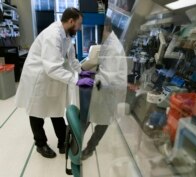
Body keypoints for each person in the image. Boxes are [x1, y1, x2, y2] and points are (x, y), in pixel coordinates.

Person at [15, 8, 94, 159]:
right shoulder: (53, 35)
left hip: (50, 76)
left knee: (55, 108)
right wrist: (76, 79)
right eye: (79, 24)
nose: (79, 27)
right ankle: (40, 144)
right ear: (71, 21)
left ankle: (62, 141)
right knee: (37, 112)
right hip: (38, 77)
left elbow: (71, 59)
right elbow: (52, 67)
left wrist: (81, 71)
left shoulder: (67, 34)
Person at [80, 18, 127, 160]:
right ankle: (77, 139)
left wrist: (90, 78)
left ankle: (89, 148)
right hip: (105, 86)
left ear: (106, 28)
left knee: (102, 120)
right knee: (90, 114)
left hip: (110, 88)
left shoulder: (113, 47)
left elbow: (108, 76)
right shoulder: (108, 42)